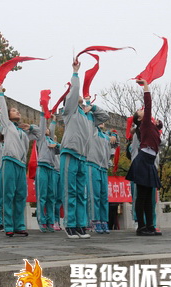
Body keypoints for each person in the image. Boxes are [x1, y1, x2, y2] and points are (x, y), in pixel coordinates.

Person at [60, 61, 109, 239]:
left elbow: (105, 117)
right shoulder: (70, 112)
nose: (79, 97)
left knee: (81, 193)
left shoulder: (89, 116)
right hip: (69, 153)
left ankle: (81, 224)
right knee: (70, 190)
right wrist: (75, 72)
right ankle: (70, 224)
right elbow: (73, 94)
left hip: (83, 157)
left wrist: (93, 107)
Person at [0, 84, 40, 237]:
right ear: (8, 116)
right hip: (9, 161)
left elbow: (40, 134)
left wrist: (31, 127)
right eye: (14, 110)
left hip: (21, 166)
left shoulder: (24, 132)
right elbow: (2, 108)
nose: (17, 111)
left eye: (17, 110)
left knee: (21, 195)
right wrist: (0, 93)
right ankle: (8, 225)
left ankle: (19, 225)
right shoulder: (7, 126)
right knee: (8, 194)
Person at [125, 80, 162, 236]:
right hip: (142, 160)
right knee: (141, 196)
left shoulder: (151, 127)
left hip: (149, 161)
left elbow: (157, 140)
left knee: (148, 197)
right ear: (139, 119)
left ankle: (150, 226)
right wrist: (146, 86)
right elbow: (148, 104)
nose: (142, 110)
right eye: (139, 112)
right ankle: (141, 227)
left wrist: (159, 126)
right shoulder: (144, 124)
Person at [87, 123, 116, 234]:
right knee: (95, 195)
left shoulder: (105, 135)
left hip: (104, 168)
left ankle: (104, 220)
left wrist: (114, 135)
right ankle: (95, 220)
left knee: (104, 196)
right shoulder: (92, 131)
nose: (102, 122)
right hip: (93, 165)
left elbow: (115, 142)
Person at [36, 111, 59, 232]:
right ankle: (42, 221)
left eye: (49, 130)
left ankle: (51, 221)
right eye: (45, 129)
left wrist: (54, 120)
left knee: (51, 196)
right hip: (42, 167)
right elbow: (42, 125)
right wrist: (43, 112)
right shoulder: (41, 139)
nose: (47, 130)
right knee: (42, 196)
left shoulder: (52, 141)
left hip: (51, 168)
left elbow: (60, 148)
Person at [49, 115, 62, 231]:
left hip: (60, 174)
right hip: (53, 172)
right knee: (52, 197)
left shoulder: (59, 148)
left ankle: (57, 220)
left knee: (59, 199)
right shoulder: (48, 146)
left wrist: (57, 145)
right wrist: (53, 121)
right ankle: (51, 220)